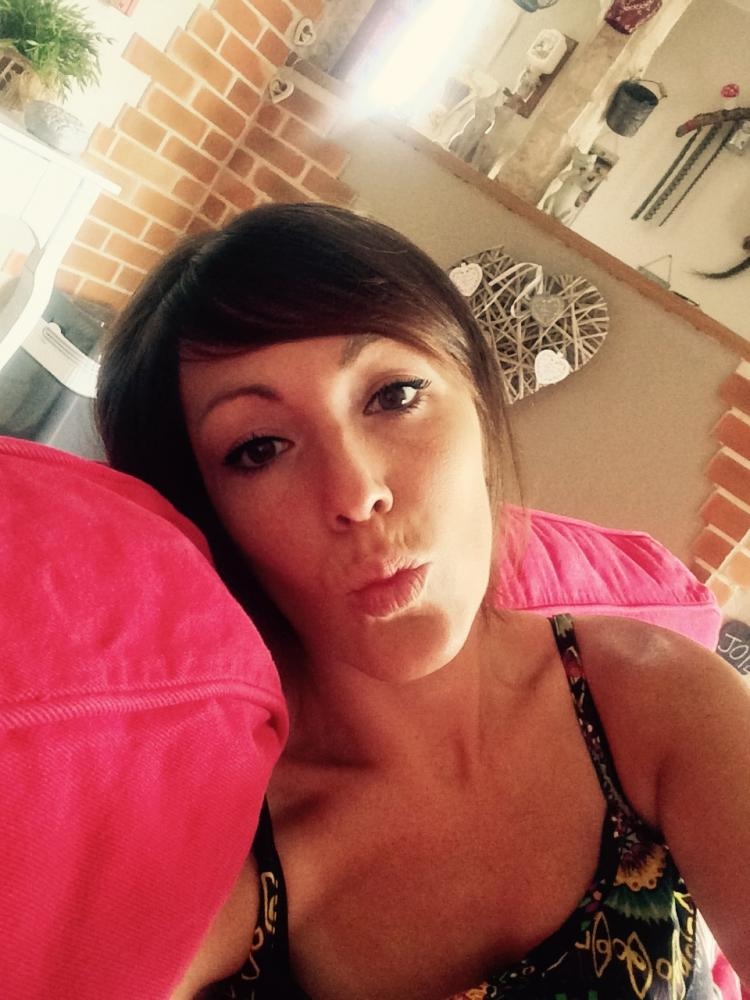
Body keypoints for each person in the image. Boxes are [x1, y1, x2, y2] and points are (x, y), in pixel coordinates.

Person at [95, 202, 750, 999]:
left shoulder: (651, 696)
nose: (357, 491)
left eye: (395, 395)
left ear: (476, 395)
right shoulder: (226, 861)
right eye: (259, 448)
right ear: (206, 521)